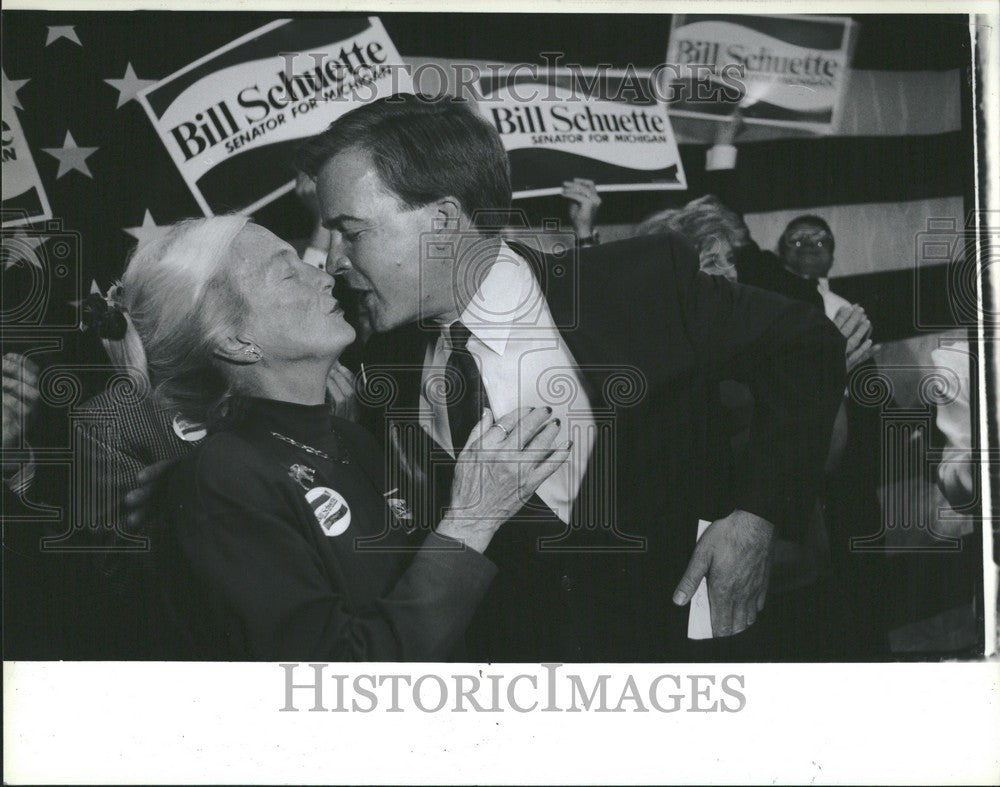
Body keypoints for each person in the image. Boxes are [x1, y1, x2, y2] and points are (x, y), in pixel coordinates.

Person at [294, 93, 847, 661]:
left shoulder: (636, 284)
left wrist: (758, 515)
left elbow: (806, 345)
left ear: (443, 219)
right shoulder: (387, 357)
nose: (335, 258)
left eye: (352, 231)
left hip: (674, 652)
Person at [91, 215, 570, 661]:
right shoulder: (223, 475)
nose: (323, 276)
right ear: (235, 341)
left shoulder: (348, 436)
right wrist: (471, 520)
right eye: (287, 273)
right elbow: (338, 681)